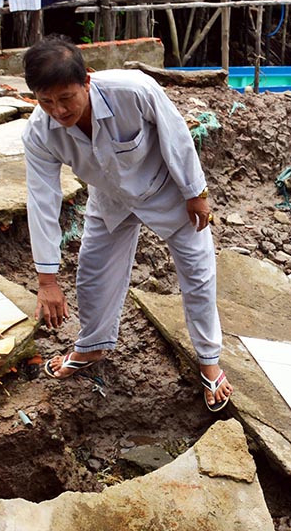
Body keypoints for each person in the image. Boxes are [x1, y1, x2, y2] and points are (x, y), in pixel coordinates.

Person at [21, 35, 232, 411]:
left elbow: (176, 134)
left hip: (166, 189)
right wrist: (47, 281)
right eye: (46, 101)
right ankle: (92, 346)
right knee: (92, 273)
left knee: (197, 273)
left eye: (66, 98)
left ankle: (209, 361)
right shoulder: (39, 132)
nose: (58, 110)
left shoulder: (133, 90)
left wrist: (195, 192)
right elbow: (41, 199)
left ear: (87, 79)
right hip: (110, 197)